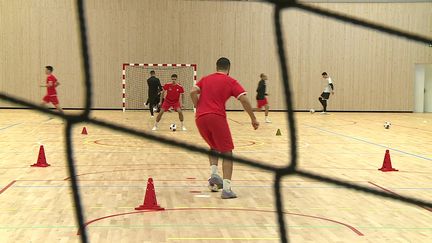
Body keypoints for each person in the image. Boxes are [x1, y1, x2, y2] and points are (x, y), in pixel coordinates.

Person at [190, 57, 259, 199]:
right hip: (216, 117)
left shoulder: (205, 79)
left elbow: (192, 92)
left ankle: (214, 175)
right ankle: (227, 189)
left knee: (213, 146)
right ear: (229, 68)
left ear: (216, 67)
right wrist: (253, 118)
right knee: (227, 152)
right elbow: (244, 99)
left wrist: (198, 106)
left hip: (200, 118)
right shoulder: (230, 81)